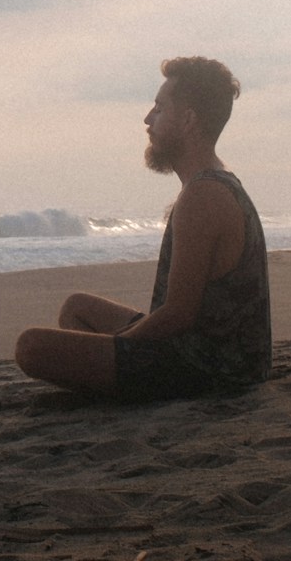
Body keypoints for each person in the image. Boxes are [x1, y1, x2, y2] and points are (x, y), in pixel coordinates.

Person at [14, 56, 271, 400]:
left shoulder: (204, 195)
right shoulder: (210, 184)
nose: (147, 119)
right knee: (77, 308)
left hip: (213, 370)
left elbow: (178, 314)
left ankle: (115, 384)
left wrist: (118, 347)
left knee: (31, 347)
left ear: (189, 120)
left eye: (159, 109)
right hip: (210, 354)